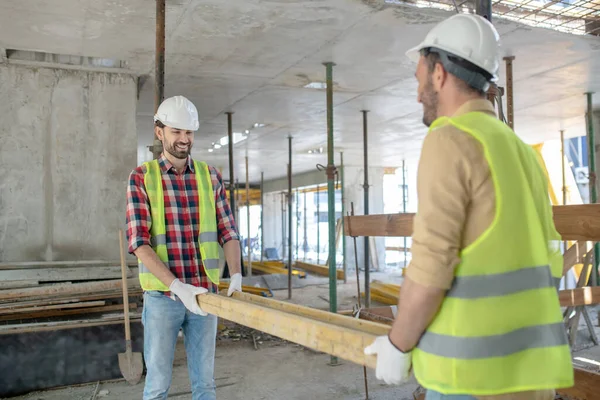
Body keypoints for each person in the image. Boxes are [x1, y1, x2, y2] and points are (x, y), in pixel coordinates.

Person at [364, 13, 574, 400]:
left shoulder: (450, 139)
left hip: (469, 380)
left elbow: (431, 266)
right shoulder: (520, 151)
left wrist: (398, 344)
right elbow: (549, 256)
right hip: (530, 378)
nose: (417, 93)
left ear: (439, 74)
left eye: (419, 78)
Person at [126, 95, 243, 400]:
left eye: (188, 132)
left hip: (206, 294)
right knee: (157, 385)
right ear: (159, 131)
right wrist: (177, 286)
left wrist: (237, 275)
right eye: (176, 131)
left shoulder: (210, 176)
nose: (183, 139)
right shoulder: (141, 178)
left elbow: (228, 232)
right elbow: (139, 242)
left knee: (205, 383)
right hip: (164, 298)